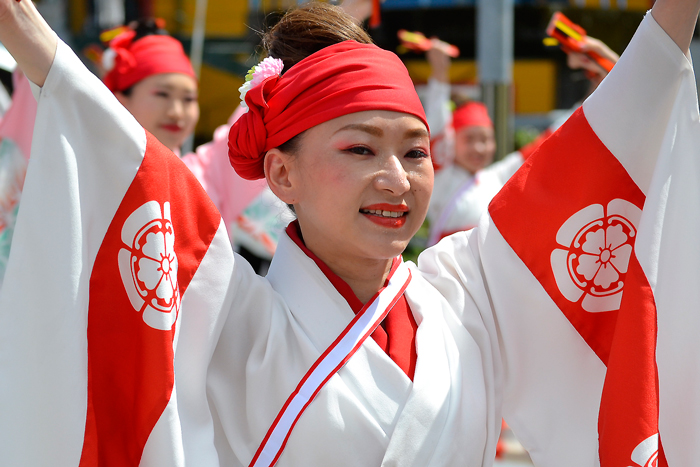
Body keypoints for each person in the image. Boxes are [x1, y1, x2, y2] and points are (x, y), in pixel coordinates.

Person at [1, 2, 699, 467]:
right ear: (281, 173)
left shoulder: (469, 291)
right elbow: (144, 179)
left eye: (416, 152)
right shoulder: (233, 313)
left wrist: (673, 17)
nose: (396, 178)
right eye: (359, 150)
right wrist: (34, 44)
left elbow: (586, 166)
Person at [424, 35, 620, 244]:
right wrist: (439, 72)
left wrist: (597, 93)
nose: (479, 147)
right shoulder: (442, 177)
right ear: (452, 141)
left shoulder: (496, 178)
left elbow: (551, 139)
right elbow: (436, 128)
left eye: (486, 139)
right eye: (469, 139)